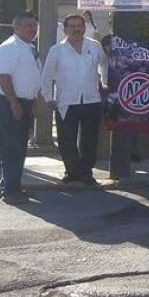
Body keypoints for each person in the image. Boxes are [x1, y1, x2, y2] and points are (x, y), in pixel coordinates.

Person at [40, 15, 106, 186]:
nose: (76, 29)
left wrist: (105, 82)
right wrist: (48, 97)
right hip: (65, 101)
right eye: (72, 26)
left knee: (89, 139)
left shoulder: (94, 46)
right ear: (65, 30)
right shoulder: (57, 50)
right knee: (66, 139)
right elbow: (46, 76)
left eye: (80, 26)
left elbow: (104, 64)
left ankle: (86, 172)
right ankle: (71, 171)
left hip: (91, 100)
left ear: (84, 28)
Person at [0, 12, 41, 205]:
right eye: (28, 26)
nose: (32, 29)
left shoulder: (28, 48)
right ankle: (10, 192)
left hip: (24, 102)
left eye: (34, 26)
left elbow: (30, 76)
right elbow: (4, 77)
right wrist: (14, 102)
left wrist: (33, 98)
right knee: (11, 148)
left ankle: (11, 186)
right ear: (17, 27)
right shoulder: (9, 47)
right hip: (8, 102)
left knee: (20, 148)